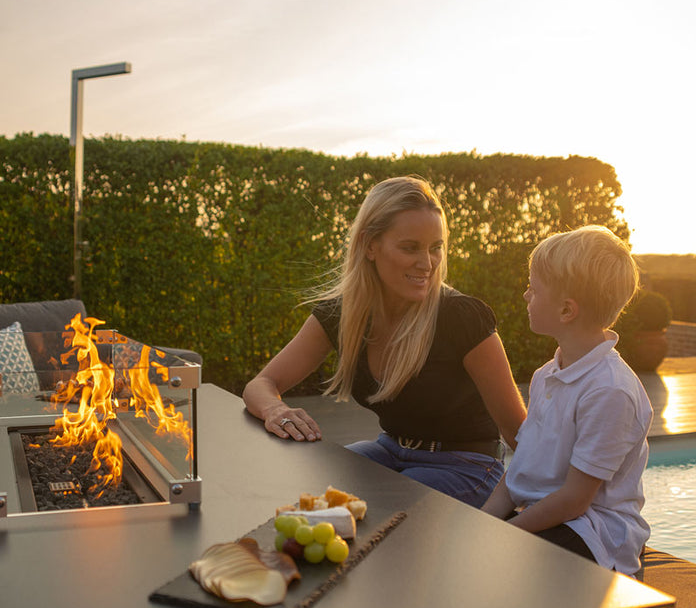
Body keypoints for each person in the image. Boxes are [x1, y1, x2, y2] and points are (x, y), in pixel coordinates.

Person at [242, 175, 526, 507]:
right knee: (308, 495)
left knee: (370, 510)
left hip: (466, 466)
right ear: (369, 245)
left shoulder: (462, 318)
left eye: (436, 248)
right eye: (410, 248)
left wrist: (548, 512)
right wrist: (276, 410)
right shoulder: (343, 314)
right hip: (388, 451)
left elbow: (521, 435)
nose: (427, 263)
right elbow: (261, 383)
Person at [481, 225, 652, 577]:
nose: (526, 294)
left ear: (566, 311)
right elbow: (520, 469)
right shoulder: (549, 374)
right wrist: (480, 521)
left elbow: (575, 500)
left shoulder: (610, 391)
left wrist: (504, 533)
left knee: (498, 569)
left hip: (596, 536)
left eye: (534, 288)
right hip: (552, 517)